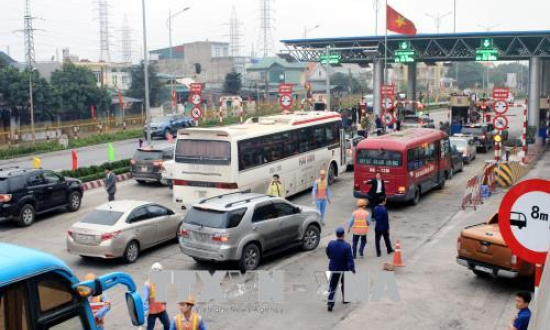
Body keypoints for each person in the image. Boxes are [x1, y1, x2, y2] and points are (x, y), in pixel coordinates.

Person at [326, 226, 355, 312]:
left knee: (333, 285)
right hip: (344, 268)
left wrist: (331, 258)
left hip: (334, 267)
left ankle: (330, 302)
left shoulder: (331, 243)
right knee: (345, 284)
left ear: (336, 234)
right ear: (343, 235)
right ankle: (345, 299)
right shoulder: (347, 246)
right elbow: (350, 259)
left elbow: (328, 253)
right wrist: (352, 269)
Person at [143, 263, 170, 330]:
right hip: (152, 312)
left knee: (168, 325)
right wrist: (145, 311)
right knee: (150, 328)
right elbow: (145, 300)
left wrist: (164, 304)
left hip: (161, 310)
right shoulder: (147, 285)